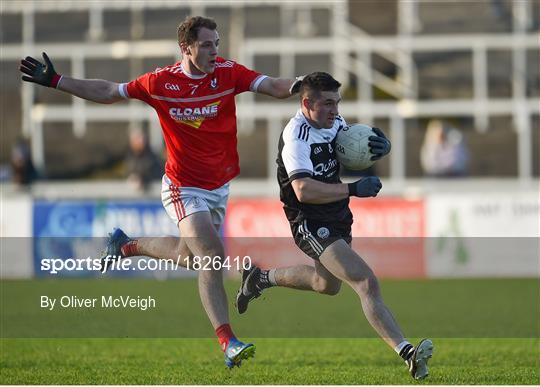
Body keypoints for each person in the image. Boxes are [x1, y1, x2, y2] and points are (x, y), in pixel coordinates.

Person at [20, 16, 302, 369]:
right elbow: (109, 91)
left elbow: (274, 85)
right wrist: (58, 81)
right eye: (207, 44)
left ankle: (128, 245)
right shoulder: (160, 82)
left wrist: (302, 84)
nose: (215, 50)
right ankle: (228, 341)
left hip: (219, 186)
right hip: (183, 186)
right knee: (212, 254)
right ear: (186, 48)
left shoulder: (229, 74)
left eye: (217, 43)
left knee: (193, 257)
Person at [235, 72, 434, 380]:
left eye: (337, 103)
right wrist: (354, 189)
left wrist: (378, 145)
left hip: (337, 214)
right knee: (366, 282)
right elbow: (303, 190)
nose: (335, 111)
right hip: (310, 221)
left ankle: (260, 278)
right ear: (306, 103)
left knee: (325, 284)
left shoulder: (335, 124)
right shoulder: (296, 138)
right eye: (328, 104)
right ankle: (407, 352)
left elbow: (352, 147)